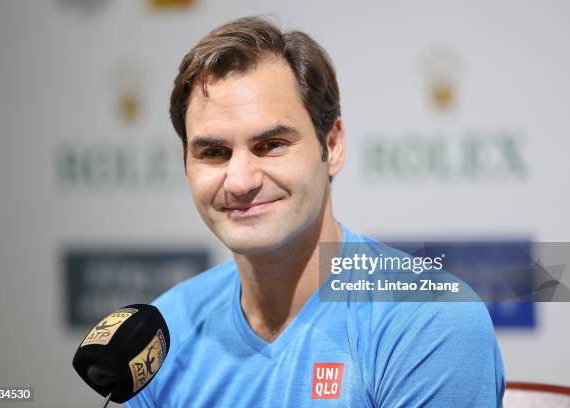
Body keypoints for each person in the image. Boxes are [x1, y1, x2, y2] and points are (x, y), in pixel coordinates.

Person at [126, 16, 505, 407]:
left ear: (334, 146)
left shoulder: (430, 322)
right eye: (213, 152)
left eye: (271, 145)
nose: (239, 181)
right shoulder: (159, 335)